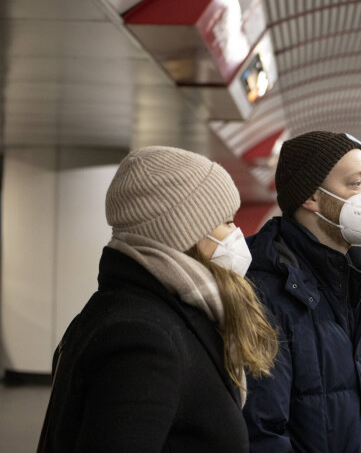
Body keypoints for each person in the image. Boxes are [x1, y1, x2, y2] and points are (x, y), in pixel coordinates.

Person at [38, 146, 278, 452]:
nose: (237, 235)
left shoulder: (139, 312)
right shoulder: (144, 338)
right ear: (184, 230)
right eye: (227, 222)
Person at [243, 131, 361, 452]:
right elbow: (263, 432)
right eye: (356, 184)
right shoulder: (264, 293)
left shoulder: (360, 283)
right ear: (312, 197)